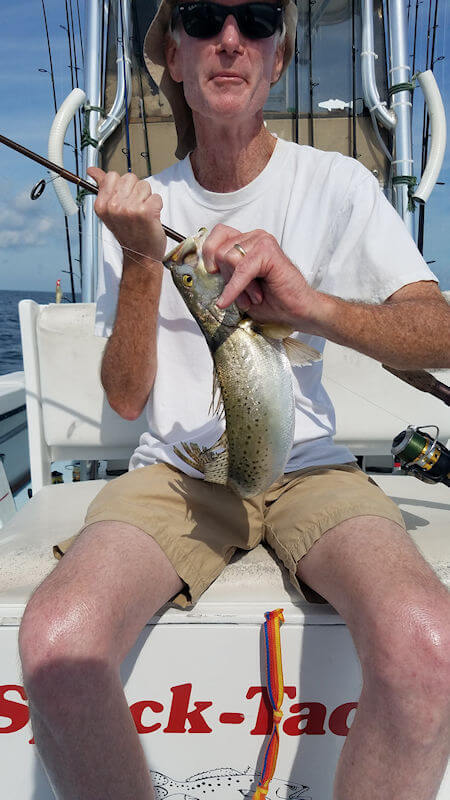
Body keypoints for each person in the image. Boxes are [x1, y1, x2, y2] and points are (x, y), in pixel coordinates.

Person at [18, 1, 450, 798]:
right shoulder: (139, 209)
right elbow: (125, 400)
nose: (229, 38)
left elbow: (440, 333)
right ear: (174, 61)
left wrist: (311, 306)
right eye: (202, 17)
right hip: (178, 472)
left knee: (429, 640)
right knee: (55, 641)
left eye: (255, 20)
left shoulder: (338, 186)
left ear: (277, 62)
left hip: (308, 466)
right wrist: (145, 262)